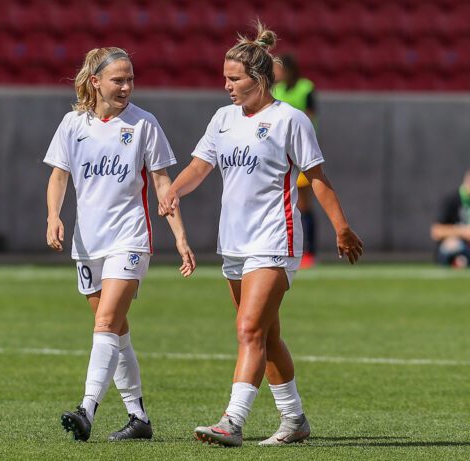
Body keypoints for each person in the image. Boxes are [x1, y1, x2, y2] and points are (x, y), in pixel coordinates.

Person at [159, 23, 363, 447]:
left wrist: (341, 227)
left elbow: (318, 178)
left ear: (261, 77)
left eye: (234, 79)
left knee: (249, 329)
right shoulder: (223, 119)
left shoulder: (291, 119)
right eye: (225, 78)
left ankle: (232, 421)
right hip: (234, 241)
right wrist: (174, 190)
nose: (227, 86)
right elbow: (201, 165)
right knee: (266, 336)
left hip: (275, 238)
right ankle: (294, 420)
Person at [44, 47, 196, 442]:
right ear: (96, 82)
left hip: (130, 238)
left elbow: (163, 184)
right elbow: (59, 176)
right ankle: (138, 416)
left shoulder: (144, 124)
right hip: (87, 242)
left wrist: (180, 236)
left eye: (130, 79)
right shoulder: (72, 124)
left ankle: (86, 409)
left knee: (106, 323)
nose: (127, 86)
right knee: (117, 331)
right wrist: (53, 216)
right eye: (118, 79)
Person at [272, 54, 318, 268]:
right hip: (279, 154)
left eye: (278, 69)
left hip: (300, 153)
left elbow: (309, 117)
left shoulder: (306, 88)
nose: (275, 73)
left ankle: (309, 251)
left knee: (303, 204)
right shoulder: (275, 90)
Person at [430, 169, 470, 268]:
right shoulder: (452, 200)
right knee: (453, 246)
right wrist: (463, 232)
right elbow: (436, 231)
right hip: (458, 246)